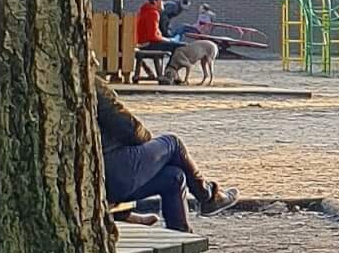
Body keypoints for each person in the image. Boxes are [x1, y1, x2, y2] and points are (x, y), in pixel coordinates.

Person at [97, 76, 237, 232]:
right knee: (173, 143)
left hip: (100, 179)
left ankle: (185, 245)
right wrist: (148, 143)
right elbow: (130, 129)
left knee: (174, 177)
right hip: (109, 173)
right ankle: (208, 196)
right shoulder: (91, 83)